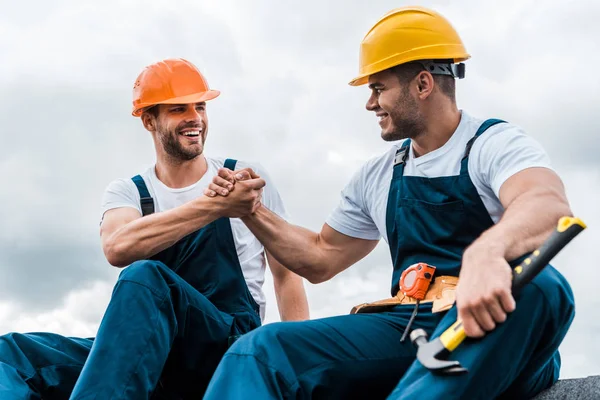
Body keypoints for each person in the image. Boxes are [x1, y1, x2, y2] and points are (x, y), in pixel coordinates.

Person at [202, 6, 575, 400]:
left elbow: (545, 202)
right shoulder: (378, 174)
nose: (370, 103)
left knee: (543, 286)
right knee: (260, 351)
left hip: (493, 330)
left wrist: (488, 253)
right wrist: (252, 211)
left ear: (424, 84)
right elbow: (320, 256)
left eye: (378, 88)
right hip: (411, 328)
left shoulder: (493, 144)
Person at [0, 58, 309, 399]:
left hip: (224, 342)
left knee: (147, 277)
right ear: (149, 120)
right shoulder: (129, 191)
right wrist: (214, 206)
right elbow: (118, 247)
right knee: (11, 353)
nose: (196, 118)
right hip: (150, 347)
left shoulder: (245, 177)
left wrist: (296, 364)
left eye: (201, 106)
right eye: (179, 109)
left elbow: (287, 274)